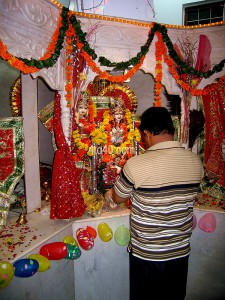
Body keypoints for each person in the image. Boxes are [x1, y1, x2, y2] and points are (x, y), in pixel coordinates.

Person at [107, 106, 204, 300]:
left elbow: (118, 198)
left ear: (147, 134)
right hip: (180, 250)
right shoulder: (195, 162)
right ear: (173, 130)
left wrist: (110, 193)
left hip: (148, 254)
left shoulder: (136, 164)